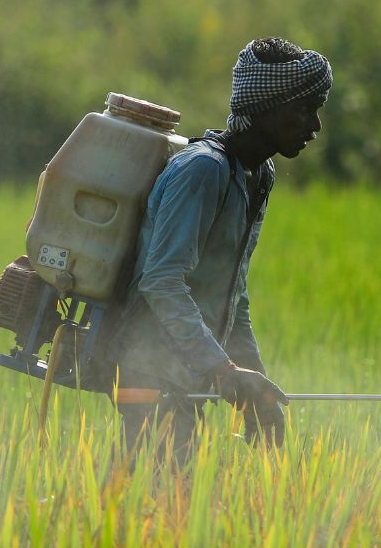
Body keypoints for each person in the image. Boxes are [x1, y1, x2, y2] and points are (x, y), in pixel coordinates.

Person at [110, 36, 331, 460]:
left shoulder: (257, 175)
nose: (315, 125)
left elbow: (234, 296)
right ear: (266, 106)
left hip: (186, 371)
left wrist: (255, 384)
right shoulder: (202, 170)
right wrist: (224, 371)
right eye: (305, 108)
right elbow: (161, 282)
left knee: (159, 502)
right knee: (163, 502)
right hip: (148, 366)